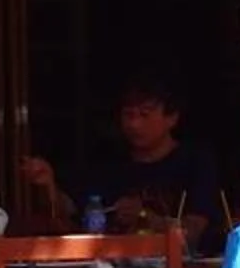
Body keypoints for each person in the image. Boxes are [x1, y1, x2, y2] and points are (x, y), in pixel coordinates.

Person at [18, 74, 227, 252]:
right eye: (128, 114)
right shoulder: (110, 160)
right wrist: (48, 184)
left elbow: (193, 234)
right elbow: (70, 212)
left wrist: (146, 218)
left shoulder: (195, 162)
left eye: (144, 115)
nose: (134, 124)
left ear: (171, 118)